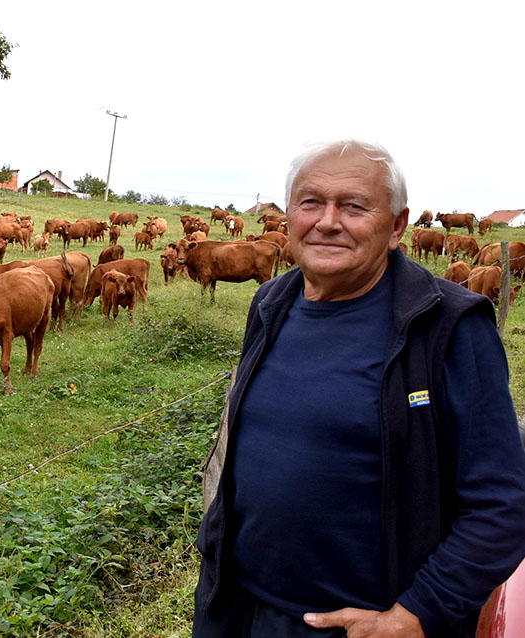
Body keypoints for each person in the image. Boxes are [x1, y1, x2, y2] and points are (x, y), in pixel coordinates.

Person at [192, 139, 525, 638]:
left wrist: (418, 614)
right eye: (310, 203)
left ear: (395, 227)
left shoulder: (448, 328)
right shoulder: (270, 304)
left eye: (353, 206)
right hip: (242, 609)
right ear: (289, 217)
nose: (327, 221)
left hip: (364, 626)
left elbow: (502, 502)